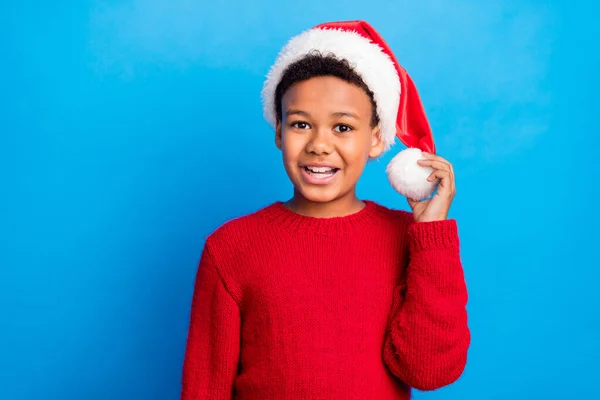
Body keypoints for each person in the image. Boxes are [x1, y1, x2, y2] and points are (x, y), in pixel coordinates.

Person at [180, 20, 470, 399]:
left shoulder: (409, 239)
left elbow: (430, 371)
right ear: (279, 132)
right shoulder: (231, 247)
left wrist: (432, 240)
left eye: (343, 128)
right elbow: (205, 387)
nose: (319, 144)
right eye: (301, 124)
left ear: (377, 138)